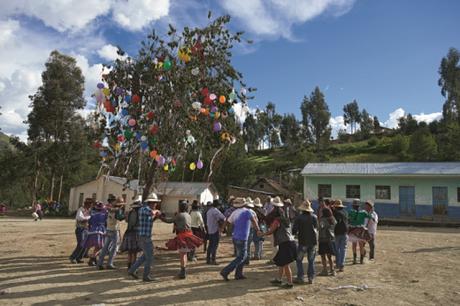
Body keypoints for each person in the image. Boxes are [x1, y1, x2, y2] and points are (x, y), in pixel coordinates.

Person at [220, 197, 261, 281]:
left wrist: (222, 229)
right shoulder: (247, 211)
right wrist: (258, 230)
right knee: (241, 257)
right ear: (244, 204)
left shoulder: (234, 212)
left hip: (235, 236)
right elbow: (254, 221)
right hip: (243, 237)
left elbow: (227, 221)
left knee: (242, 256)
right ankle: (226, 271)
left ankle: (238, 274)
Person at [260, 199, 297, 289]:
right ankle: (279, 279)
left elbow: (271, 231)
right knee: (281, 262)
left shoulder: (277, 220)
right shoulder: (286, 220)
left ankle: (289, 283)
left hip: (285, 243)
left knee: (285, 264)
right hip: (289, 242)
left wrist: (262, 234)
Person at [128, 193, 163, 282]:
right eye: (155, 203)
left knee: (144, 256)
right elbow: (151, 213)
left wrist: (156, 215)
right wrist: (157, 211)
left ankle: (132, 270)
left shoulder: (145, 210)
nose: (155, 204)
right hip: (144, 237)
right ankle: (146, 276)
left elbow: (150, 219)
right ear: (151, 202)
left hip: (143, 236)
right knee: (150, 257)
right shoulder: (145, 209)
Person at [166, 201, 203, 279]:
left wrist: (160, 217)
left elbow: (169, 221)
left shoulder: (179, 215)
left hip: (182, 236)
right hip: (189, 235)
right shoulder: (188, 215)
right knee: (185, 254)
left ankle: (183, 272)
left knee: (182, 254)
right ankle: (183, 270)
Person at [292, 200, 318, 284]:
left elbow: (294, 230)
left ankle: (301, 277)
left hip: (303, 241)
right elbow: (316, 228)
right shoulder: (314, 217)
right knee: (311, 260)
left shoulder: (299, 218)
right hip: (313, 242)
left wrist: (295, 234)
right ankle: (311, 277)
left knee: (299, 259)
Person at [97, 196, 125, 270]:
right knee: (114, 248)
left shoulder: (109, 209)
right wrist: (126, 215)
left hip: (108, 229)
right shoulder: (117, 210)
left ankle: (100, 263)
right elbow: (120, 218)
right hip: (114, 230)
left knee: (105, 247)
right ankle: (109, 263)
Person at [82, 201, 108, 266]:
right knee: (100, 246)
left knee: (95, 245)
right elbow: (106, 222)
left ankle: (94, 259)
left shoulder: (92, 212)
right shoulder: (104, 213)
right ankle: (92, 258)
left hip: (92, 230)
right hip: (100, 230)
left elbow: (88, 221)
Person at [121, 196, 142, 269]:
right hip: (136, 233)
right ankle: (133, 266)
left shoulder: (129, 213)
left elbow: (127, 221)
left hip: (128, 232)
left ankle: (129, 265)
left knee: (130, 251)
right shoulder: (139, 213)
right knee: (135, 251)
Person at [348, 198, 371, 264]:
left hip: (353, 230)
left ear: (353, 205)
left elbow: (349, 219)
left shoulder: (351, 212)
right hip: (361, 230)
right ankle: (361, 260)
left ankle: (354, 259)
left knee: (354, 245)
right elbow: (369, 217)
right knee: (361, 245)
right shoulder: (363, 212)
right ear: (359, 205)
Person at [69, 198, 92, 264]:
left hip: (86, 229)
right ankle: (72, 257)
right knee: (81, 244)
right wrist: (88, 217)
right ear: (87, 204)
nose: (90, 206)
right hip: (80, 229)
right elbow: (79, 218)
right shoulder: (81, 209)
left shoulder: (89, 210)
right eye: (90, 204)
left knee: (85, 244)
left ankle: (79, 257)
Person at [206, 199, 225, 265]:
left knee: (210, 245)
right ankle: (213, 260)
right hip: (215, 230)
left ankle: (208, 259)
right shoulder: (216, 211)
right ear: (218, 205)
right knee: (215, 246)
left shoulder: (209, 211)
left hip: (210, 230)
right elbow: (223, 218)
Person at [318, 208, 337, 276]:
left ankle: (325, 270)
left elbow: (320, 227)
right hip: (330, 239)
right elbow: (335, 226)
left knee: (323, 256)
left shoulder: (322, 220)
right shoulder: (333, 219)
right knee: (330, 256)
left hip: (323, 239)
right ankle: (332, 270)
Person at [333, 199, 348, 272]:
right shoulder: (345, 212)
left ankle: (338, 263)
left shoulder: (335, 213)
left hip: (337, 233)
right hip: (345, 232)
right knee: (343, 249)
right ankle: (342, 264)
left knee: (337, 249)